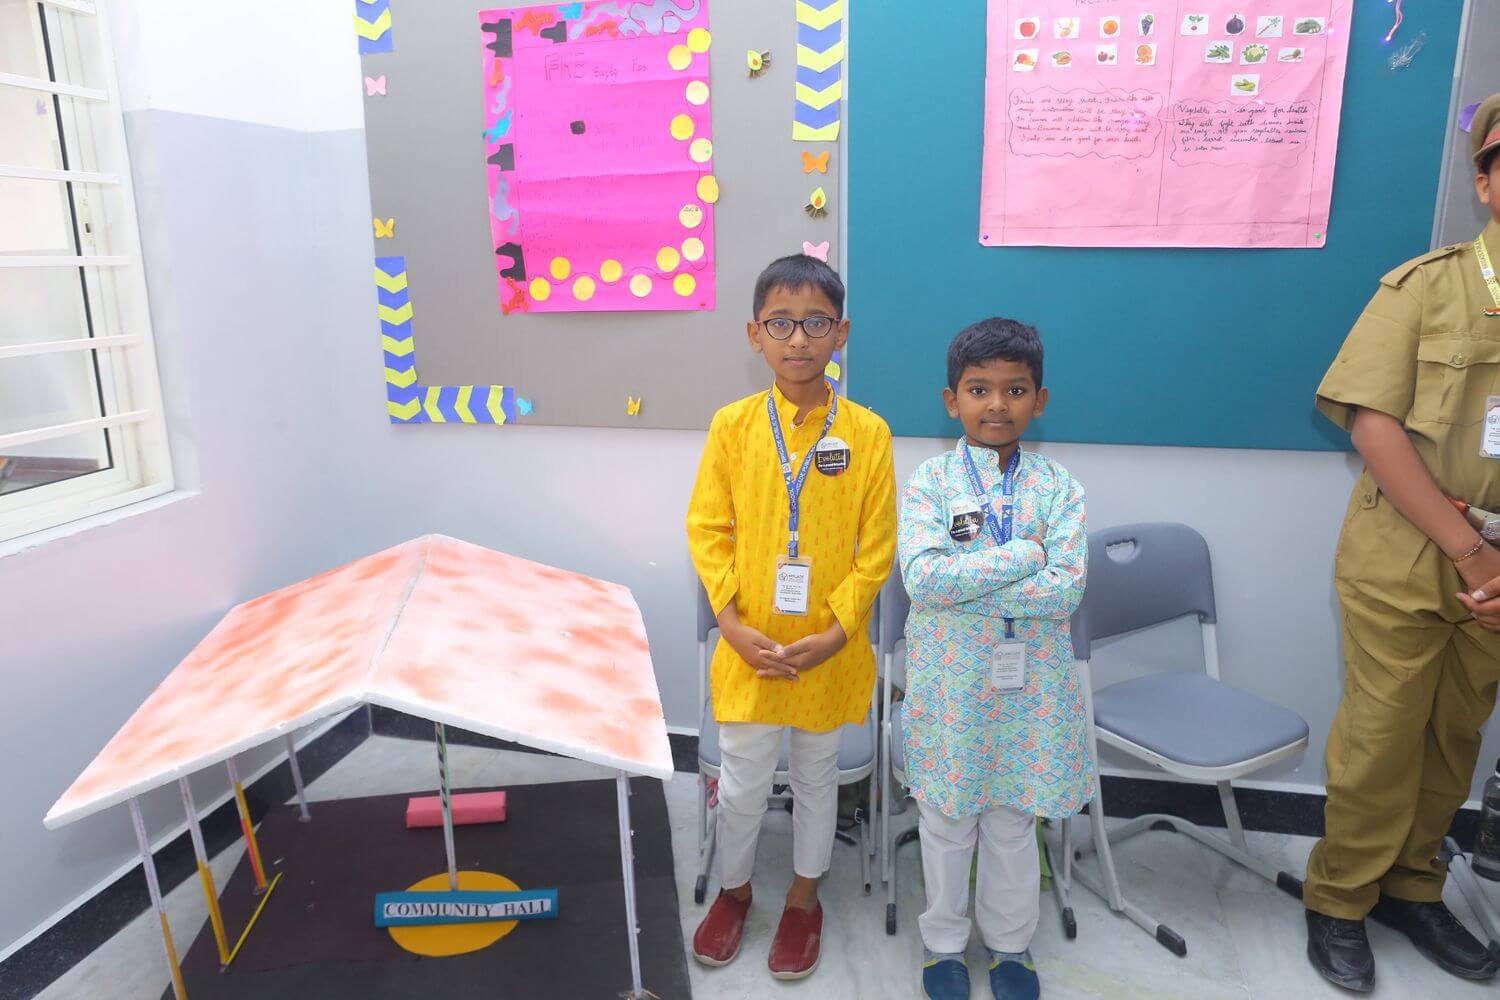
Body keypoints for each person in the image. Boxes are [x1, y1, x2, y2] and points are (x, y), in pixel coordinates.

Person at [1303, 92, 1500, 992]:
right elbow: (1371, 424)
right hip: (1412, 548)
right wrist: (1470, 549)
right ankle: (1341, 897)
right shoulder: (1426, 286)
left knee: (1456, 733)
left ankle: (1414, 889)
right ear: (1484, 183)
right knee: (1383, 735)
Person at [686, 254, 896, 980]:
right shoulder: (733, 426)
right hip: (749, 645)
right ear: (755, 334)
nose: (798, 339)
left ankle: (804, 900)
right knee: (742, 781)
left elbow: (877, 548)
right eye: (780, 323)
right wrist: (730, 622)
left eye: (815, 323)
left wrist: (836, 632)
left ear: (842, 332)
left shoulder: (868, 433)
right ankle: (735, 891)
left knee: (816, 776)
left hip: (828, 649)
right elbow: (708, 529)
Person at [897, 318, 1091, 1000]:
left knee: (1012, 820)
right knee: (947, 820)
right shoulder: (929, 483)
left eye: (1016, 389)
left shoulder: (1060, 488)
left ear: (1040, 399)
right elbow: (925, 581)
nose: (997, 404)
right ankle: (944, 943)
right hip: (951, 688)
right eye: (979, 389)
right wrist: (1024, 556)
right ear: (952, 400)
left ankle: (1010, 945)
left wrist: (973, 582)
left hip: (1029, 689)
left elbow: (1066, 589)